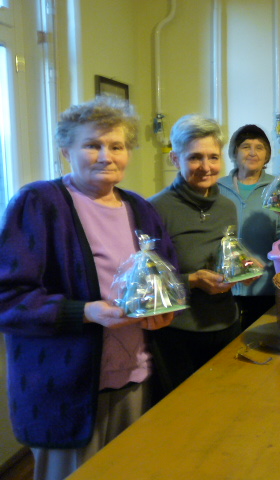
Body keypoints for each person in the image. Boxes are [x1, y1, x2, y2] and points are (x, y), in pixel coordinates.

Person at [0, 96, 178, 480]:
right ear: (66, 151)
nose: (106, 156)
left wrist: (164, 311)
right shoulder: (38, 203)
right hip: (66, 388)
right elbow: (8, 298)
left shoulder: (142, 210)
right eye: (92, 145)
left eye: (117, 146)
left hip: (135, 376)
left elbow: (168, 278)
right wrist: (84, 312)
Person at [148, 115, 242, 397]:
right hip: (177, 334)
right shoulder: (154, 209)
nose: (206, 167)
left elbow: (229, 258)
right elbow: (148, 283)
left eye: (213, 157)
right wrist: (192, 281)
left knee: (225, 404)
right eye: (195, 157)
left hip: (227, 324)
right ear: (175, 159)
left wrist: (243, 269)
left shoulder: (227, 207)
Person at [218, 125, 280, 329]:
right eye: (246, 146)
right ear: (234, 153)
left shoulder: (278, 188)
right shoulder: (217, 188)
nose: (253, 153)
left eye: (260, 147)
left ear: (267, 156)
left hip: (264, 291)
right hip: (223, 289)